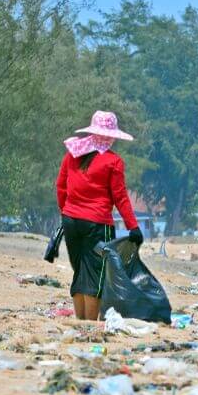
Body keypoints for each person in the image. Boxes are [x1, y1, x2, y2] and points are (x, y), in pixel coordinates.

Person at [56, 110, 142, 321]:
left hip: (71, 221)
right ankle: (90, 325)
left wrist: (66, 212)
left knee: (80, 272)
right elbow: (120, 197)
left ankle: (81, 322)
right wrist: (133, 227)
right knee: (95, 275)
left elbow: (60, 187)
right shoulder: (113, 162)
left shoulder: (73, 152)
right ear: (112, 136)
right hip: (97, 224)